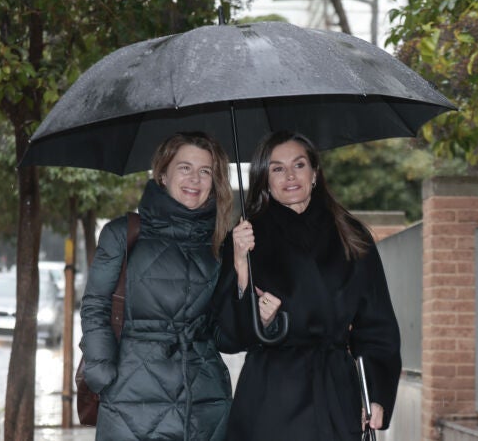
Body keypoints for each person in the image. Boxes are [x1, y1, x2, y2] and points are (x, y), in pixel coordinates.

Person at [212, 130, 402, 441]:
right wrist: (242, 273)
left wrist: (376, 393)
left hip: (337, 396)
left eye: (298, 165)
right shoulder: (246, 238)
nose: (289, 175)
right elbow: (227, 337)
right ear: (264, 179)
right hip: (271, 398)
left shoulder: (351, 235)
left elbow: (376, 325)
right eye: (277, 168)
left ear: (314, 172)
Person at [80, 132, 234, 441]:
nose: (195, 178)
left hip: (204, 403)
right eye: (184, 167)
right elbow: (95, 306)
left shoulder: (220, 244)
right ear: (162, 174)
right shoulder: (122, 234)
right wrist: (102, 373)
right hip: (132, 400)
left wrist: (244, 280)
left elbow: (225, 333)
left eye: (205, 171)